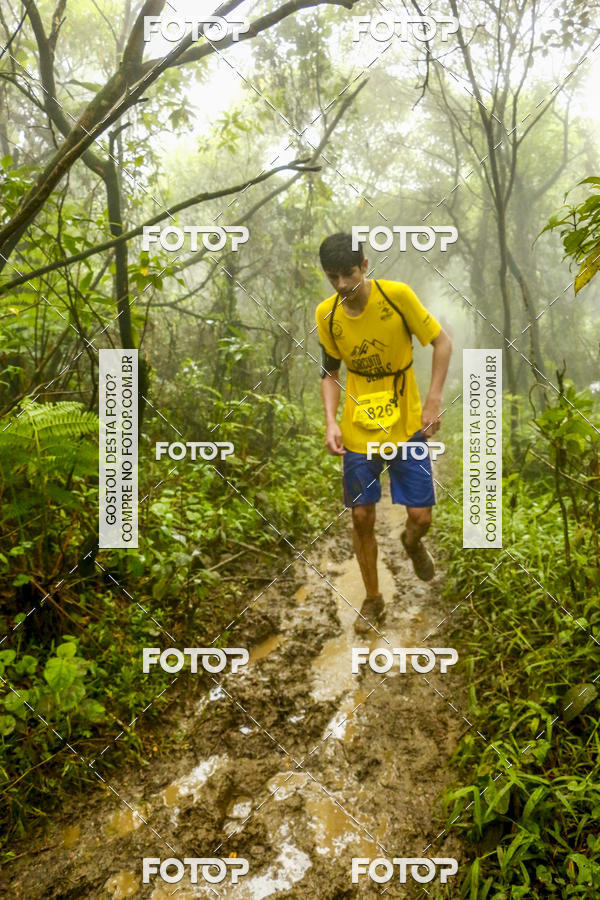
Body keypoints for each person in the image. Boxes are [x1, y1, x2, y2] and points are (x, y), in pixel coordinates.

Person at [315, 232, 452, 635]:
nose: (341, 285)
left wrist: (433, 400)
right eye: (332, 276)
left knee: (421, 517)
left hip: (407, 424)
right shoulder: (327, 314)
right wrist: (330, 420)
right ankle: (373, 599)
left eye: (348, 274)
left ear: (365, 266)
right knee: (361, 516)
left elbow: (442, 343)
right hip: (359, 432)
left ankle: (412, 543)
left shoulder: (397, 297)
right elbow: (329, 371)